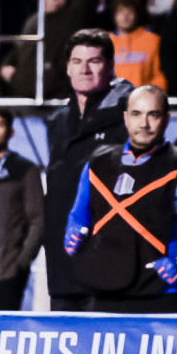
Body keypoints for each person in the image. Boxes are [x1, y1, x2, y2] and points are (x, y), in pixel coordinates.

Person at [64, 85, 177, 313]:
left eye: (153, 114)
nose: (144, 124)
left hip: (162, 293)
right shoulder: (97, 162)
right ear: (126, 118)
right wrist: (73, 230)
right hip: (104, 287)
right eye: (137, 114)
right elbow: (79, 214)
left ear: (167, 119)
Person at [43, 29, 133, 311]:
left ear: (109, 67)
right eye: (77, 61)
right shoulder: (59, 120)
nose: (84, 69)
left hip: (106, 260)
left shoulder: (129, 117)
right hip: (61, 264)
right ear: (68, 67)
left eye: (93, 61)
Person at [0, 109, 44, 311]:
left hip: (6, 271)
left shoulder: (24, 169)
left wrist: (22, 262)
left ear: (11, 132)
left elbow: (38, 220)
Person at [110, 0, 166, 91]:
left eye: (130, 12)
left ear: (137, 15)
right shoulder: (106, 42)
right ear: (114, 15)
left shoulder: (152, 40)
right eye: (121, 12)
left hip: (144, 99)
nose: (125, 17)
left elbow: (159, 74)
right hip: (114, 101)